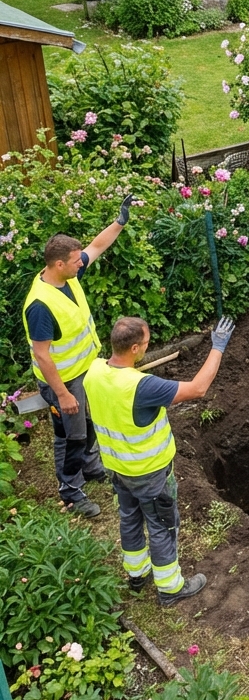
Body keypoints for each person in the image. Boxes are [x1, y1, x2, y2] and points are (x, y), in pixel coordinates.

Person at [83, 315, 235, 605]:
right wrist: (218, 346)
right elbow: (198, 388)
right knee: (162, 525)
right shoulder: (142, 386)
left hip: (117, 467)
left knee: (129, 519)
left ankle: (137, 574)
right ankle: (170, 588)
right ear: (135, 349)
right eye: (147, 342)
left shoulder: (93, 372)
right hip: (149, 472)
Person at [22, 196, 133, 517]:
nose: (81, 263)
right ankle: (70, 490)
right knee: (70, 435)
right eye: (75, 260)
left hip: (85, 371)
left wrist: (120, 221)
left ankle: (90, 465)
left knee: (90, 422)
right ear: (59, 264)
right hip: (63, 381)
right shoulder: (40, 305)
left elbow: (96, 247)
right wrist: (62, 393)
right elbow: (42, 356)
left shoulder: (67, 277)